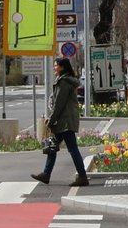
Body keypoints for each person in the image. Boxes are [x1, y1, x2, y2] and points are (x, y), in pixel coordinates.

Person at [33, 56, 89, 188]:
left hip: (65, 121)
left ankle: (82, 177)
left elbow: (59, 103)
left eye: (56, 65)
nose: (54, 67)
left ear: (62, 67)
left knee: (72, 149)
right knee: (52, 147)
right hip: (64, 120)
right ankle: (46, 174)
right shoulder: (64, 80)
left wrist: (51, 120)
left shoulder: (64, 82)